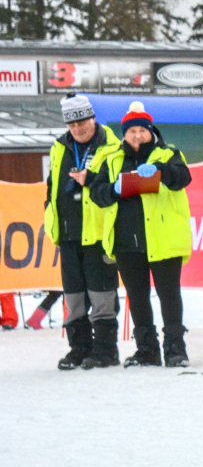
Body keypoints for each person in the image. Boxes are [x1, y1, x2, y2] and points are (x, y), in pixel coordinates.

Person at [88, 102, 193, 367]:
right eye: (131, 131)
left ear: (150, 132)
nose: (137, 136)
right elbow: (97, 194)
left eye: (142, 130)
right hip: (126, 242)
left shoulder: (169, 153)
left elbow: (183, 178)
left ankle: (175, 349)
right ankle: (147, 350)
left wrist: (161, 170)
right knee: (137, 298)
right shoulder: (112, 160)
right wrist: (114, 189)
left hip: (164, 239)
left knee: (169, 295)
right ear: (124, 134)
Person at [43, 95, 120, 369]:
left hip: (98, 234)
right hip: (67, 234)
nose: (78, 128)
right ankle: (79, 349)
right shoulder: (59, 147)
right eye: (72, 124)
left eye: (82, 122)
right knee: (73, 296)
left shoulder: (112, 146)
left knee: (101, 295)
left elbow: (116, 188)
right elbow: (52, 185)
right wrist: (49, 209)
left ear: (93, 118)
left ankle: (106, 351)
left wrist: (92, 180)